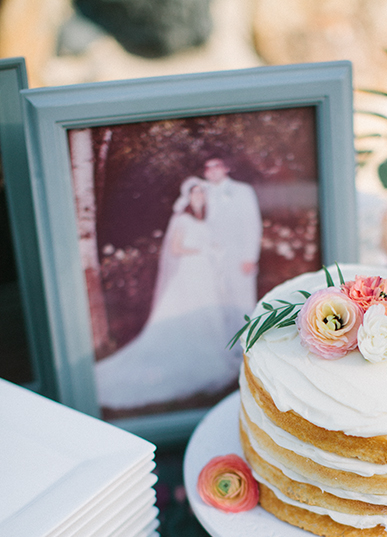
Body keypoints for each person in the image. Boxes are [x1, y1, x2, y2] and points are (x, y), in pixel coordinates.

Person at [95, 178, 236, 411]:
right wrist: (203, 250)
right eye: (195, 193)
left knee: (206, 315)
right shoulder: (181, 219)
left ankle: (205, 354)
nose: (199, 197)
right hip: (190, 271)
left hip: (204, 272)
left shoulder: (203, 220)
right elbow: (175, 249)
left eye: (202, 193)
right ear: (188, 197)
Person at [203, 157, 263, 363]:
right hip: (210, 259)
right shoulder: (201, 192)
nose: (213, 171)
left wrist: (250, 256)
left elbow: (251, 224)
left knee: (243, 303)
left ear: (226, 168)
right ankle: (226, 350)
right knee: (219, 303)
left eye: (216, 166)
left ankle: (247, 348)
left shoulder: (242, 190)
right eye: (208, 168)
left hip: (239, 256)